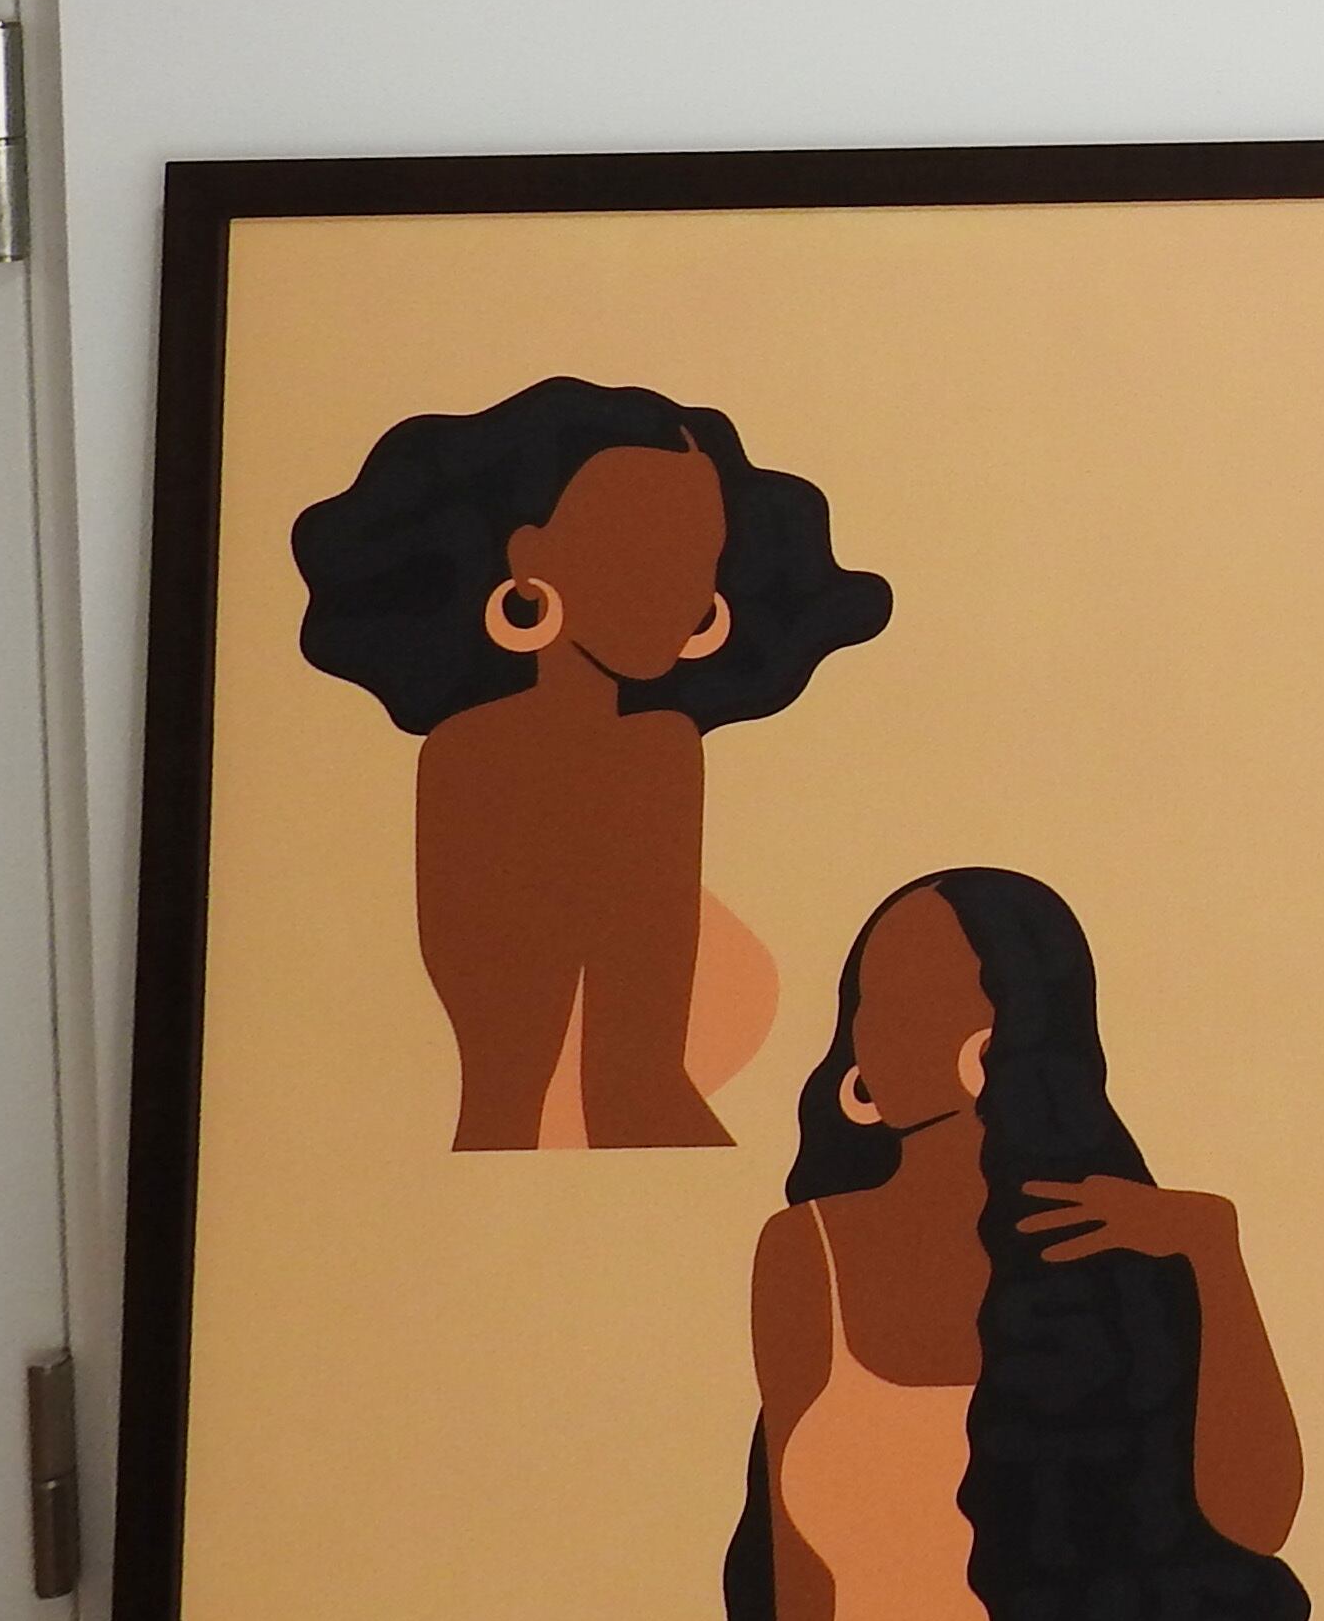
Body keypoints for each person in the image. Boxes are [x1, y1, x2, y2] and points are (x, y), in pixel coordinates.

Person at [712, 868, 1310, 1621]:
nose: (878, 1028)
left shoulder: (1136, 1246)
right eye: (872, 999)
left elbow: (1255, 1523)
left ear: (1013, 1027)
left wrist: (1214, 1255)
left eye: (924, 998)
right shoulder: (807, 1252)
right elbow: (791, 1568)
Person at [294, 379, 888, 1150]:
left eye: (699, 554)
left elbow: (626, 1080)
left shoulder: (652, 749)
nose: (682, 587)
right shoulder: (533, 757)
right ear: (530, 558)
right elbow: (577, 1085)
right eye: (640, 547)